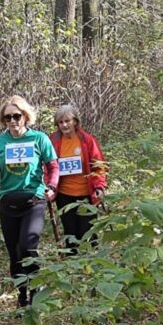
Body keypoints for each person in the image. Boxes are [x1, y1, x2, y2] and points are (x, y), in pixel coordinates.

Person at [0, 95, 58, 307]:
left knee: (27, 245)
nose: (12, 121)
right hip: (8, 202)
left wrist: (52, 186)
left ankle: (36, 287)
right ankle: (22, 292)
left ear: (25, 116)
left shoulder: (39, 139)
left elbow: (53, 166)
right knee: (14, 252)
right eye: (7, 117)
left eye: (16, 116)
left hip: (34, 200)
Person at [49, 105, 108, 255]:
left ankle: (92, 263)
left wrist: (99, 187)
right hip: (64, 195)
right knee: (71, 234)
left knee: (88, 233)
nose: (64, 125)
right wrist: (49, 186)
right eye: (60, 122)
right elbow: (47, 166)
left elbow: (99, 166)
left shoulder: (87, 140)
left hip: (86, 195)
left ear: (75, 121)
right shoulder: (52, 141)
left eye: (67, 121)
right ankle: (71, 264)